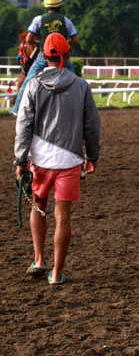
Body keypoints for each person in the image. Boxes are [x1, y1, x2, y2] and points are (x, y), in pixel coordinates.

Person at [14, 33, 100, 285]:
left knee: (38, 206)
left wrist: (20, 160)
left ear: (44, 56)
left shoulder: (33, 85)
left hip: (40, 160)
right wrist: (93, 155)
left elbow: (24, 125)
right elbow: (92, 125)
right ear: (67, 56)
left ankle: (39, 259)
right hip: (70, 160)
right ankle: (57, 274)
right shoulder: (82, 86)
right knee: (62, 215)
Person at [11, 0, 78, 116]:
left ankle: (16, 109)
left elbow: (28, 39)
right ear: (59, 5)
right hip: (62, 56)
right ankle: (80, 107)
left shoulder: (38, 19)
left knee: (28, 80)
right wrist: (64, 44)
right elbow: (75, 39)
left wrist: (40, 44)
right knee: (76, 79)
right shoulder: (66, 20)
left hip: (44, 56)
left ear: (46, 6)